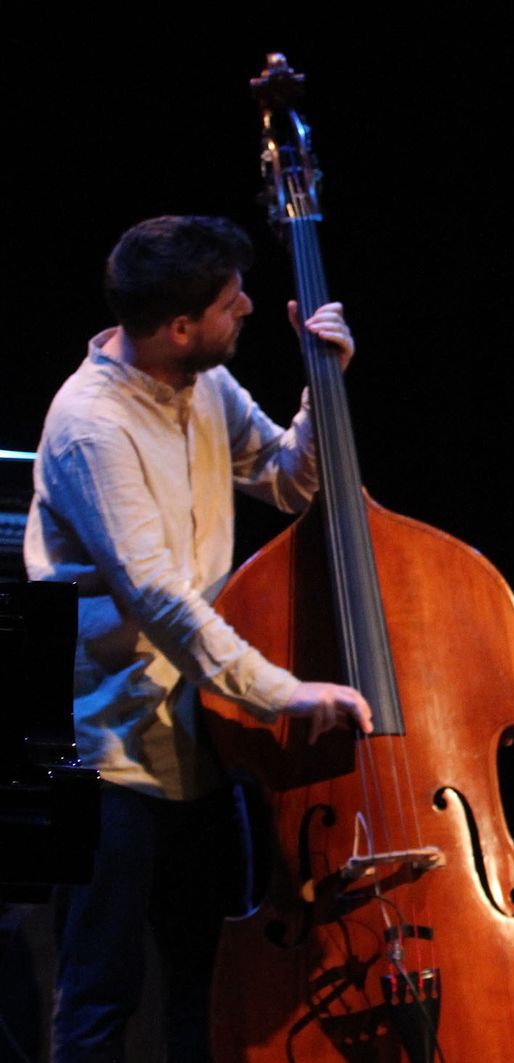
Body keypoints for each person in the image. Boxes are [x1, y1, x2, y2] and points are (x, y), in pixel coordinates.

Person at [25, 215, 373, 1061]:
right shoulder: (91, 427)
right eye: (229, 302)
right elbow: (162, 602)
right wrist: (289, 693)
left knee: (213, 983)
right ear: (179, 327)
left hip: (201, 741)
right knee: (100, 994)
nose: (249, 308)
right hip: (101, 755)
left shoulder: (202, 385)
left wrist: (321, 389)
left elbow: (291, 481)